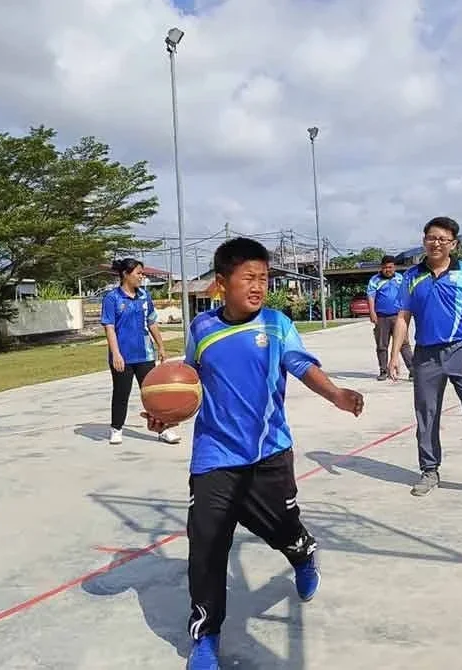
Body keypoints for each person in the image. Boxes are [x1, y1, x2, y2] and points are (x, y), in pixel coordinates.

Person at [142, 237, 364, 670]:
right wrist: (165, 415)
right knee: (206, 544)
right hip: (214, 455)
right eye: (249, 277)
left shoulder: (277, 324)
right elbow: (190, 385)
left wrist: (336, 394)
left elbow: (302, 366)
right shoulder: (201, 329)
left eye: (264, 278)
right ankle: (206, 636)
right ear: (222, 282)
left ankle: (302, 553)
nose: (259, 286)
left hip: (268, 453)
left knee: (282, 527)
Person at [389, 216, 462, 499]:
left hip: (461, 352)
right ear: (424, 240)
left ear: (453, 244)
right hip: (426, 356)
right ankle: (429, 470)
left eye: (442, 239)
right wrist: (394, 356)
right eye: (431, 238)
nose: (436, 243)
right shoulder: (412, 276)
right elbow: (403, 317)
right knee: (426, 415)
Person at [101, 258, 180, 446]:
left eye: (142, 273)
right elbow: (109, 328)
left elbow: (152, 322)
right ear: (125, 274)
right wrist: (116, 354)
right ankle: (116, 429)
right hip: (123, 357)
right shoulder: (112, 298)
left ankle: (163, 429)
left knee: (153, 394)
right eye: (138, 273)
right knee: (121, 393)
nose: (142, 277)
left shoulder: (145, 296)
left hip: (145, 354)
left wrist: (161, 346)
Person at [367, 254, 413, 380]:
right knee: (382, 345)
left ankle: (413, 370)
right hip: (381, 317)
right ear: (382, 267)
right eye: (385, 267)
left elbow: (406, 295)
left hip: (399, 317)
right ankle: (383, 371)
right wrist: (372, 312)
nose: (388, 270)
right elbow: (371, 297)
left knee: (404, 344)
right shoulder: (374, 280)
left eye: (390, 267)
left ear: (394, 267)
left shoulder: (400, 278)